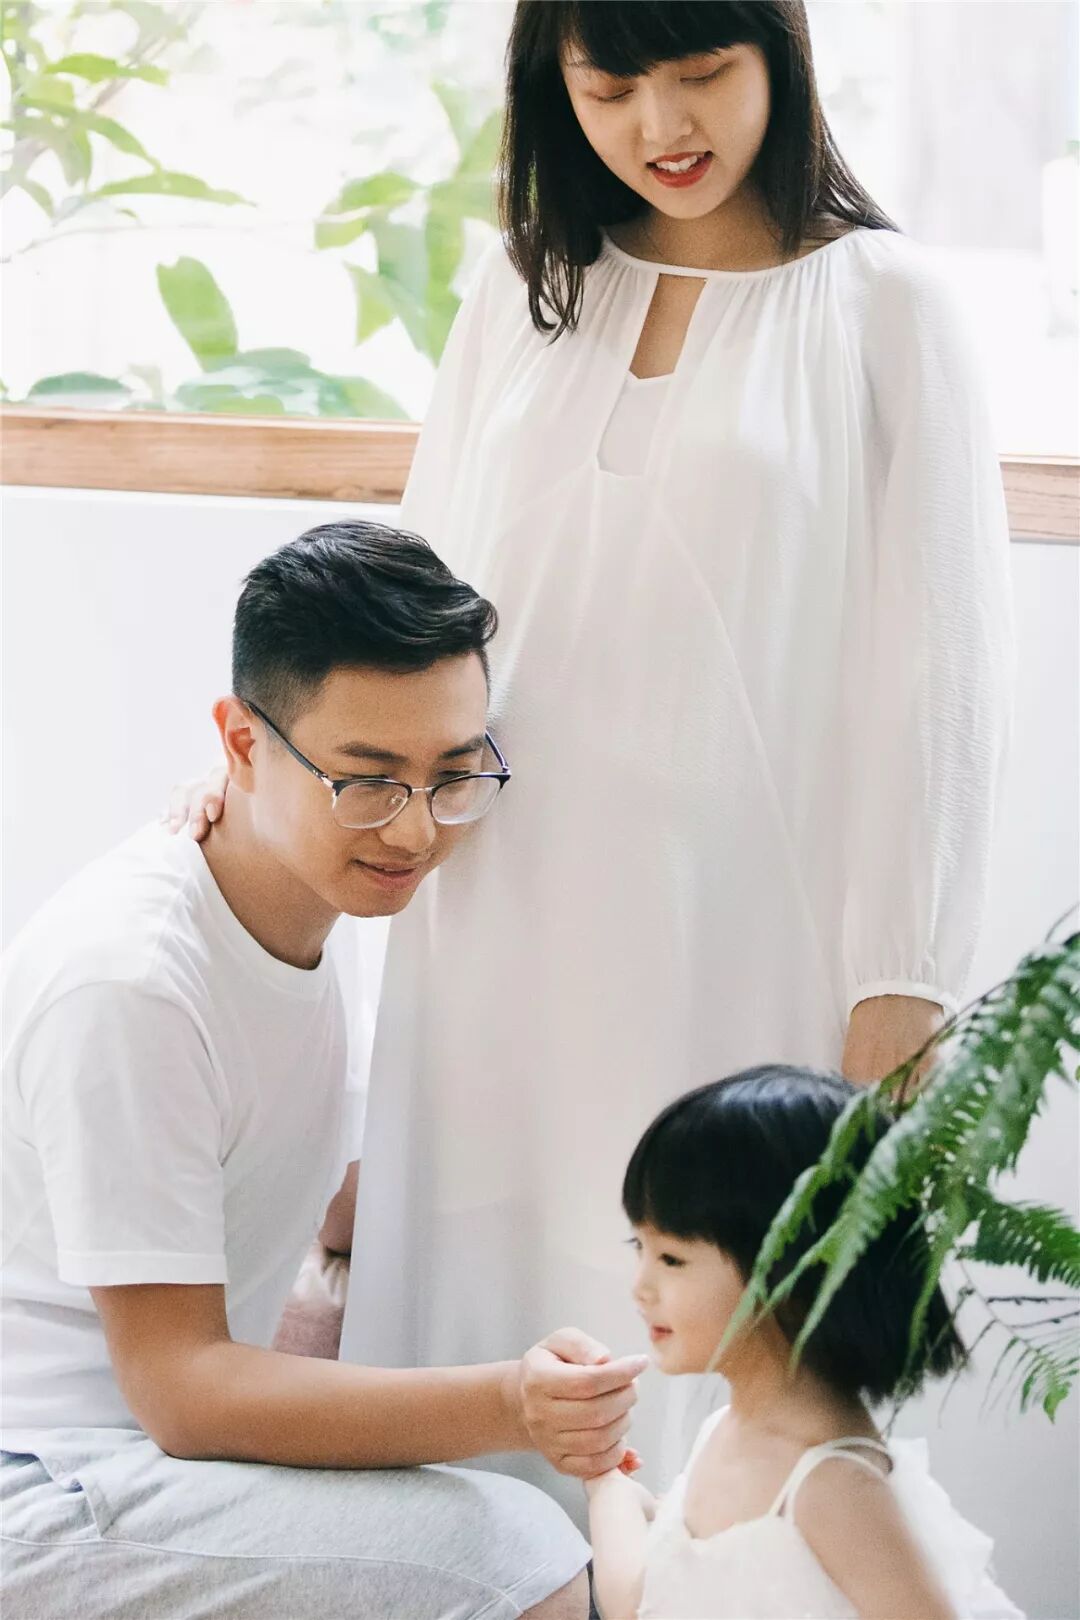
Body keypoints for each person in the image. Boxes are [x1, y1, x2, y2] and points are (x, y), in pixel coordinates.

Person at [175, 0, 1014, 1509]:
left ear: (781, 56)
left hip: (735, 931)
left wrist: (903, 980)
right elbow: (412, 597)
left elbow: (942, 678)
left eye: (703, 73)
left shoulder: (885, 306)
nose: (661, 127)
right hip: (494, 918)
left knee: (709, 1339)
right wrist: (282, 779)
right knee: (484, 1313)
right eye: (612, 85)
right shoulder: (523, 285)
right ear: (553, 83)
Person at [1, 521, 649, 1620]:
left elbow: (290, 1175)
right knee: (512, 1548)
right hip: (43, 1477)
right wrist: (510, 1403)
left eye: (451, 774)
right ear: (241, 745)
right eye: (367, 780)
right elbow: (184, 1392)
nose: (415, 832)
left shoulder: (303, 897)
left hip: (134, 1462)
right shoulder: (133, 981)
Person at [585, 1068, 1024, 1620]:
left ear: (794, 1272)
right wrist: (605, 1480)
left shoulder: (833, 1487)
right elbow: (643, 1600)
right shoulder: (724, 1430)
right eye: (639, 1248)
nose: (640, 1287)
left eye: (671, 1258)